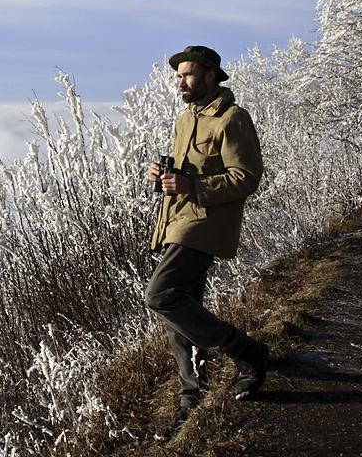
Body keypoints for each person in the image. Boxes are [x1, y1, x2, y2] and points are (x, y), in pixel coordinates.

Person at [145, 45, 267, 442]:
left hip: (204, 225)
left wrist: (192, 185)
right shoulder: (186, 120)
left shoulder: (232, 119)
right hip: (178, 220)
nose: (180, 82)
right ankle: (189, 396)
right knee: (181, 311)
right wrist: (164, 175)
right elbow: (185, 174)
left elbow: (246, 177)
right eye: (178, 76)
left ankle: (246, 352)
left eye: (188, 75)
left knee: (160, 296)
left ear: (211, 75)